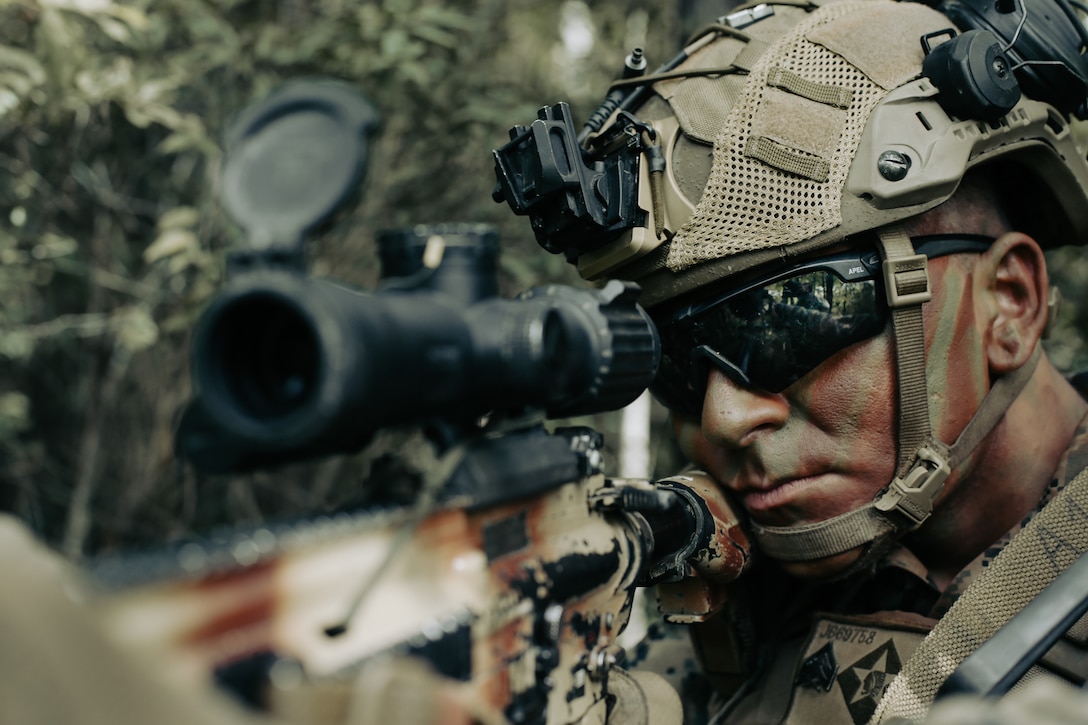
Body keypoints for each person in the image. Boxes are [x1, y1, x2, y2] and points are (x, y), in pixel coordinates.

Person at [495, 0, 1088, 722]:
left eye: (785, 319)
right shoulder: (762, 601)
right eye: (676, 358)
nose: (723, 415)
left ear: (1010, 305)